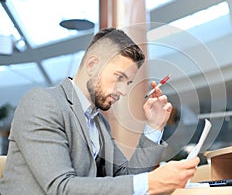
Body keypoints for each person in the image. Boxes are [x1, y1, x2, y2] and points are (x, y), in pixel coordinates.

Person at [0, 28, 199, 195]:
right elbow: (60, 187)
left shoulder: (98, 121)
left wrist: (154, 127)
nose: (123, 91)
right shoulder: (43, 102)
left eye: (128, 82)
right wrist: (149, 183)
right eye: (119, 77)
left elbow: (124, 176)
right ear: (92, 64)